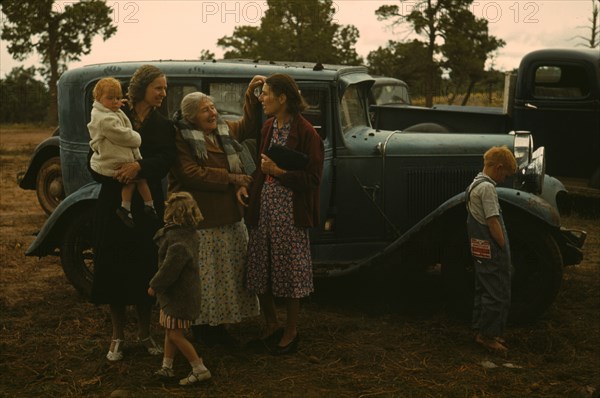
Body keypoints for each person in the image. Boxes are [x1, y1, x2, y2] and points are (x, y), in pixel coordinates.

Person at [168, 75, 265, 345]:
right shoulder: (182, 138)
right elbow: (191, 174)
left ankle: (220, 327)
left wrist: (250, 95)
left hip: (227, 218)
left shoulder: (222, 131)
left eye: (212, 107)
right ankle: (202, 330)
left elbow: (248, 125)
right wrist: (233, 179)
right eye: (205, 109)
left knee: (225, 278)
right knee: (204, 281)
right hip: (200, 221)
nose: (212, 112)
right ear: (190, 117)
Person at [90, 65, 176, 361]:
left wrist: (139, 167)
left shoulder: (163, 125)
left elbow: (166, 160)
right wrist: (113, 173)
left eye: (165, 89)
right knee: (114, 266)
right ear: (142, 89)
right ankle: (117, 336)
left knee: (146, 267)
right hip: (115, 200)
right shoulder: (109, 115)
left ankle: (145, 332)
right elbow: (96, 155)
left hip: (147, 205)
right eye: (159, 88)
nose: (163, 94)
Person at [238, 73, 324, 355]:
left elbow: (312, 179)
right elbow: (259, 163)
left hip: (290, 211)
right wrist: (248, 185)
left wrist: (280, 173)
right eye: (260, 94)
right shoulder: (267, 127)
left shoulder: (307, 132)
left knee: (290, 272)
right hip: (264, 208)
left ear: (283, 97)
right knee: (260, 266)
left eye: (266, 94)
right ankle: (271, 324)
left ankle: (291, 330)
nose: (262, 99)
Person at [148, 192, 211, 386]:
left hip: (179, 297)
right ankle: (167, 366)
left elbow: (169, 269)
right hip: (182, 295)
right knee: (171, 331)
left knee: (175, 334)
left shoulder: (178, 241)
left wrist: (154, 286)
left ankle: (199, 368)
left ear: (172, 214)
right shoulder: (190, 233)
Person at [465, 145, 517, 354]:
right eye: (505, 173)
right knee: (497, 290)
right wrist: (503, 247)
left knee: (484, 287)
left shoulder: (474, 184)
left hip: (479, 246)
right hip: (492, 247)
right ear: (497, 167)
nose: (504, 179)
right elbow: (493, 221)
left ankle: (479, 329)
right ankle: (488, 336)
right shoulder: (487, 188)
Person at [87, 77, 156, 228]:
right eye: (110, 98)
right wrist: (136, 138)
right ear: (98, 99)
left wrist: (117, 105)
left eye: (118, 98)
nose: (115, 102)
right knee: (137, 180)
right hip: (115, 161)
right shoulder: (104, 119)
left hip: (124, 160)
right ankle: (148, 205)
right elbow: (121, 134)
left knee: (134, 181)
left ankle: (129, 207)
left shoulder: (111, 111)